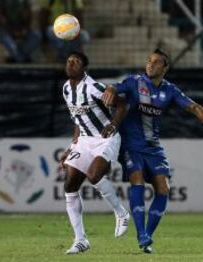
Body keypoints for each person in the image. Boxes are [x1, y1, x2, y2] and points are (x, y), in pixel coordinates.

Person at [102, 49, 203, 253]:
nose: (150, 65)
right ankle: (141, 234)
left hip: (153, 147)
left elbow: (192, 106)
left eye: (156, 62)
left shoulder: (170, 90)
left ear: (165, 68)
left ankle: (147, 236)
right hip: (130, 146)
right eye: (148, 61)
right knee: (137, 180)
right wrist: (109, 89)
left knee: (163, 189)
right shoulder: (133, 81)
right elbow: (114, 87)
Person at [59, 51, 130, 254]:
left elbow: (123, 105)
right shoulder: (66, 89)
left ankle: (121, 213)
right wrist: (72, 147)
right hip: (84, 141)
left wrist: (114, 125)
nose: (71, 64)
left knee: (94, 175)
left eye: (76, 62)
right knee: (70, 185)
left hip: (105, 138)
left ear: (84, 68)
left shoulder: (94, 88)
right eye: (69, 60)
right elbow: (78, 120)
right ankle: (81, 240)